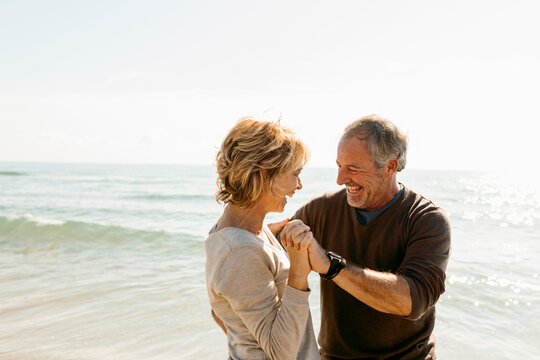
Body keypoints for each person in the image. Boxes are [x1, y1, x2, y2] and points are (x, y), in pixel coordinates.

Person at [280, 114, 451, 359]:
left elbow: (412, 301)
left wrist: (331, 266)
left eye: (353, 168)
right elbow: (266, 254)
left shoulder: (426, 219)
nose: (341, 178)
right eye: (339, 165)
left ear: (390, 166)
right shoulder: (320, 209)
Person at [205, 117, 320, 360]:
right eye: (295, 173)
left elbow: (222, 313)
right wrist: (299, 270)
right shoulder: (240, 251)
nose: (299, 185)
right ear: (266, 174)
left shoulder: (233, 234)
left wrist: (266, 245)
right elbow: (281, 353)